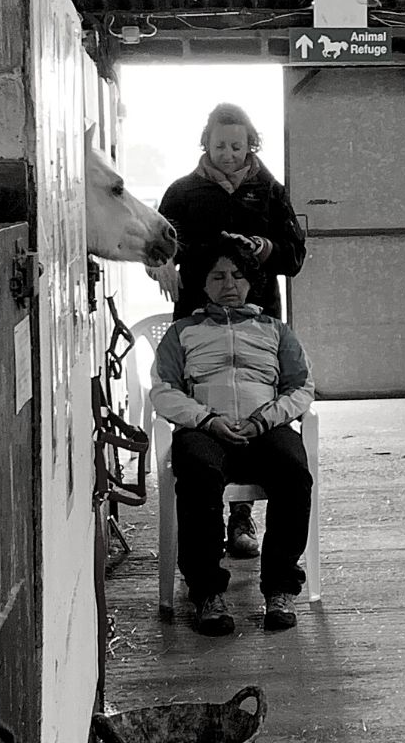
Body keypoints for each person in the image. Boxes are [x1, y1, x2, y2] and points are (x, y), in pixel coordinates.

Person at [147, 102, 307, 558]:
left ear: (250, 143)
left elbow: (294, 256)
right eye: (220, 146)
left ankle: (241, 519)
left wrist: (268, 248)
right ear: (206, 143)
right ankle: (208, 531)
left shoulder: (270, 192)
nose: (229, 154)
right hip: (198, 315)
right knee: (205, 405)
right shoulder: (181, 192)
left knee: (256, 399)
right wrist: (161, 266)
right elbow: (155, 246)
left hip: (257, 316)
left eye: (237, 146)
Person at [149, 238, 314, 634]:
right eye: (218, 276)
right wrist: (206, 420)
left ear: (251, 282)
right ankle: (207, 593)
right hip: (206, 430)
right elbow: (163, 390)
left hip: (265, 428)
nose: (229, 284)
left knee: (294, 471)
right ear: (202, 284)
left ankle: (280, 588)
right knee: (198, 474)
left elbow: (301, 387)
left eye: (238, 276)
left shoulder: (275, 330)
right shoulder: (182, 332)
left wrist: (264, 420)